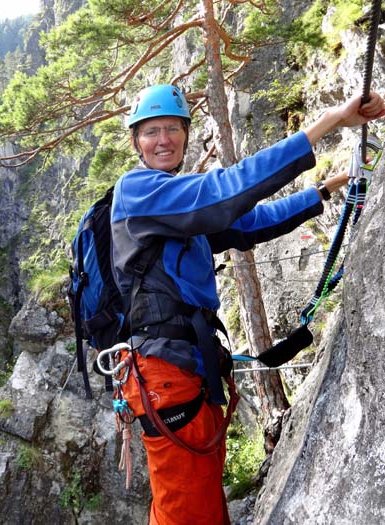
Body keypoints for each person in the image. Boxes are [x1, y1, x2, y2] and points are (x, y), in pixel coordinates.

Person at [110, 84, 385, 525]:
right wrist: (331, 120)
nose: (164, 139)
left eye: (173, 129)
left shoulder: (177, 208)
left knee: (198, 497)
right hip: (167, 375)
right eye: (151, 131)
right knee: (186, 509)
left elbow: (251, 221)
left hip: (188, 371)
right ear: (135, 142)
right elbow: (228, 190)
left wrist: (324, 191)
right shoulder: (137, 191)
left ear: (185, 136)